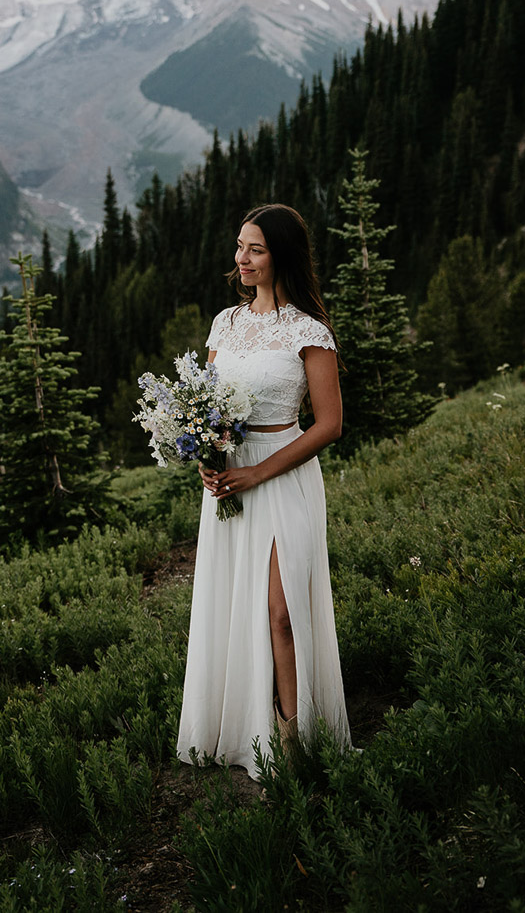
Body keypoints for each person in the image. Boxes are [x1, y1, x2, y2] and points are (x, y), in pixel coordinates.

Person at [176, 203, 351, 779]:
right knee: (236, 606)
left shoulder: (309, 331)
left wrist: (259, 470)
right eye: (239, 246)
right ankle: (242, 729)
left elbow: (328, 424)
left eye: (255, 249)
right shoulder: (224, 323)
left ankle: (293, 741)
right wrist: (208, 459)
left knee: (281, 613)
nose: (241, 259)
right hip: (230, 481)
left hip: (285, 476)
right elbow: (204, 404)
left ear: (282, 255)